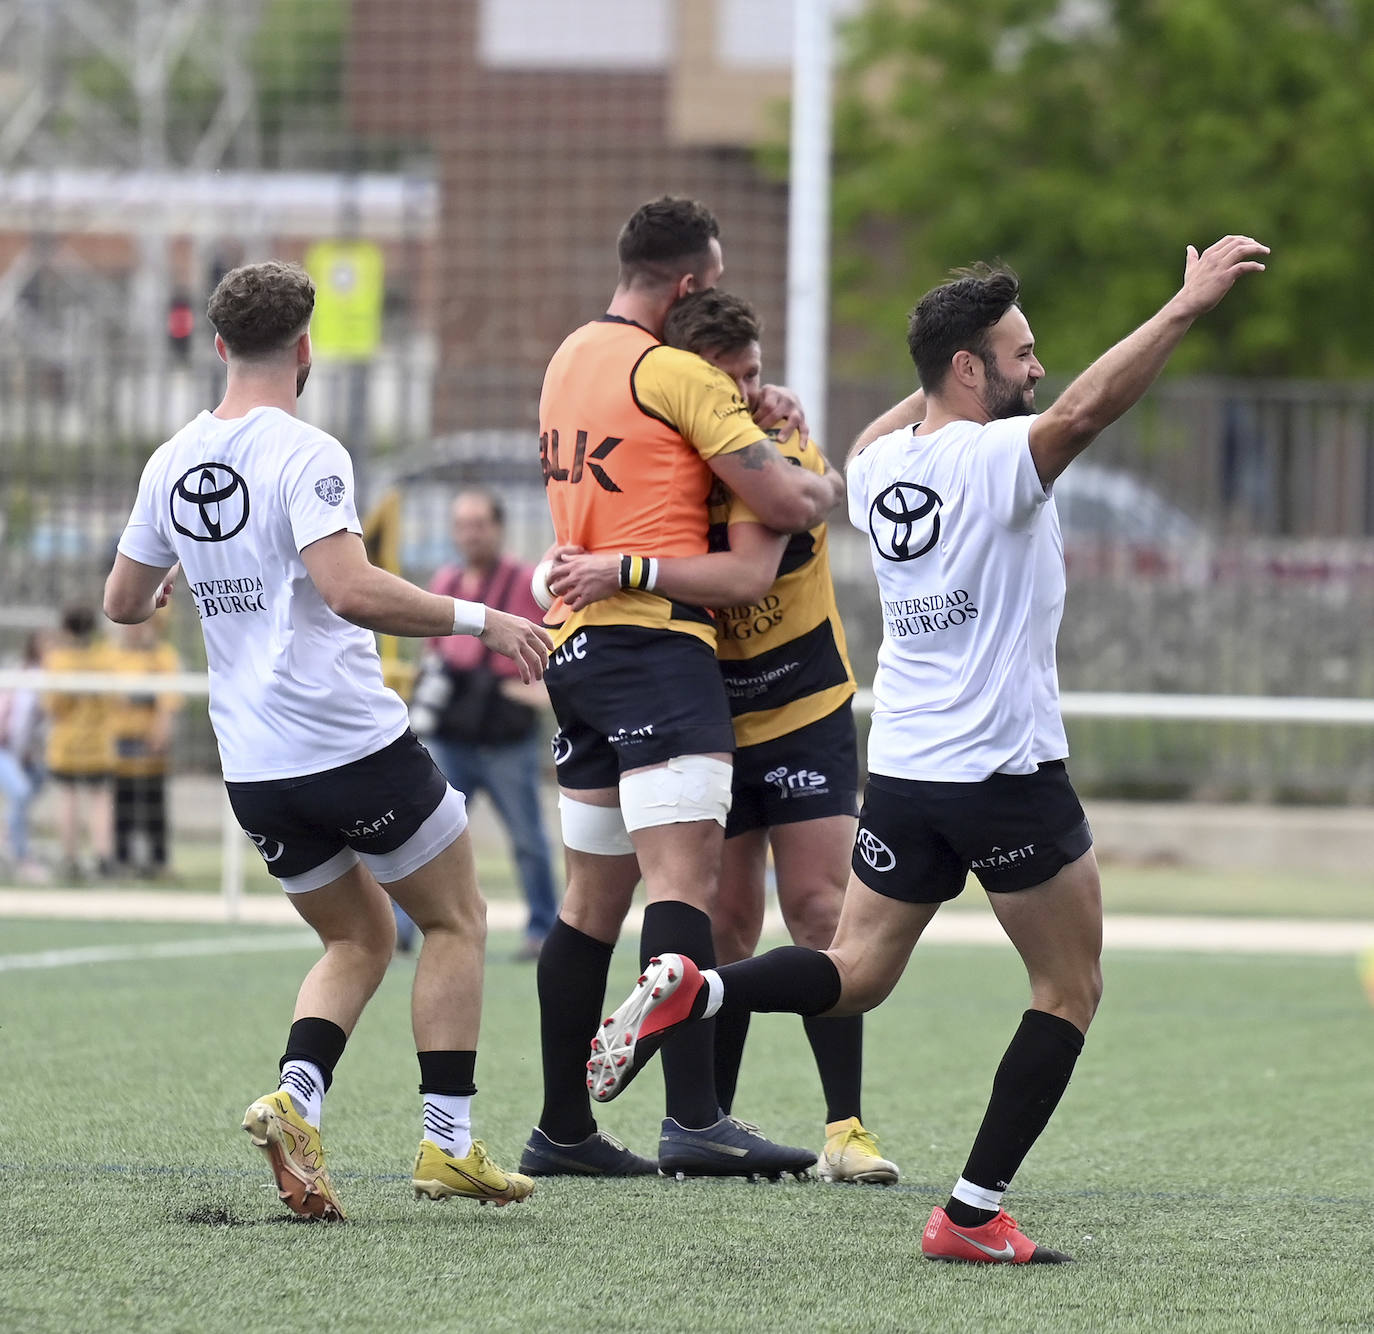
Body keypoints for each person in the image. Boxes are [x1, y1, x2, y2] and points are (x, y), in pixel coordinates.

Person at [589, 235, 1269, 1259]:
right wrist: (1183, 308)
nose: (1035, 368)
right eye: (1019, 350)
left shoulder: (877, 465)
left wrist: (919, 386)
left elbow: (884, 427)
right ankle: (971, 1211)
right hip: (1004, 772)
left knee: (855, 969)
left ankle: (705, 984)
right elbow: (1085, 411)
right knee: (1069, 988)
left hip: (906, 770)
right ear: (967, 367)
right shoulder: (997, 458)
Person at [104, 259, 552, 1221]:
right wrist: (485, 621)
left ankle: (294, 1100)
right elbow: (350, 589)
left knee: (357, 935)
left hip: (255, 769)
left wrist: (179, 586)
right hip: (349, 745)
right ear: (305, 347)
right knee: (455, 920)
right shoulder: (309, 452)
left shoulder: (169, 459)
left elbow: (121, 601)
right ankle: (448, 1147)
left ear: (218, 345)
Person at [521, 195, 842, 1181]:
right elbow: (788, 503)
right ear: (693, 283)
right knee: (683, 886)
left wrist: (758, 396)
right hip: (656, 651)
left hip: (576, 659)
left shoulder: (571, 355)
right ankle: (695, 1117)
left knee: (587, 903)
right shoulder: (675, 373)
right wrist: (787, 448)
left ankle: (564, 1127)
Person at [405, 488, 559, 961]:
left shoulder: (524, 583)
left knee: (529, 840)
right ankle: (401, 929)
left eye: (479, 523)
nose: (470, 533)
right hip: (450, 738)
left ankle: (543, 929)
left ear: (498, 526)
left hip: (505, 739)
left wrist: (512, 693)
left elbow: (547, 654)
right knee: (423, 838)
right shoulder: (446, 579)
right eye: (462, 524)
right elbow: (432, 654)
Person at [42, 606, 116, 881]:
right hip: (98, 741)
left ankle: (70, 858)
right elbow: (114, 700)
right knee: (100, 800)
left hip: (67, 742)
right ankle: (102, 857)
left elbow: (52, 705)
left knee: (68, 798)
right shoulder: (105, 658)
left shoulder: (58, 660)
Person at [108, 615, 183, 879]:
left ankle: (158, 860)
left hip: (151, 744)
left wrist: (161, 731)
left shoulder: (162, 656)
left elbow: (169, 699)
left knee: (154, 803)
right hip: (120, 744)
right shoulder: (113, 656)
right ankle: (122, 859)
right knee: (122, 804)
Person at [0, 631, 50, 881]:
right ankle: (21, 857)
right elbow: (18, 723)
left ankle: (9, 830)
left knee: (39, 778)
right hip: (5, 748)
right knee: (20, 792)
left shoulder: (49, 676)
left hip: (19, 752)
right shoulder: (32, 676)